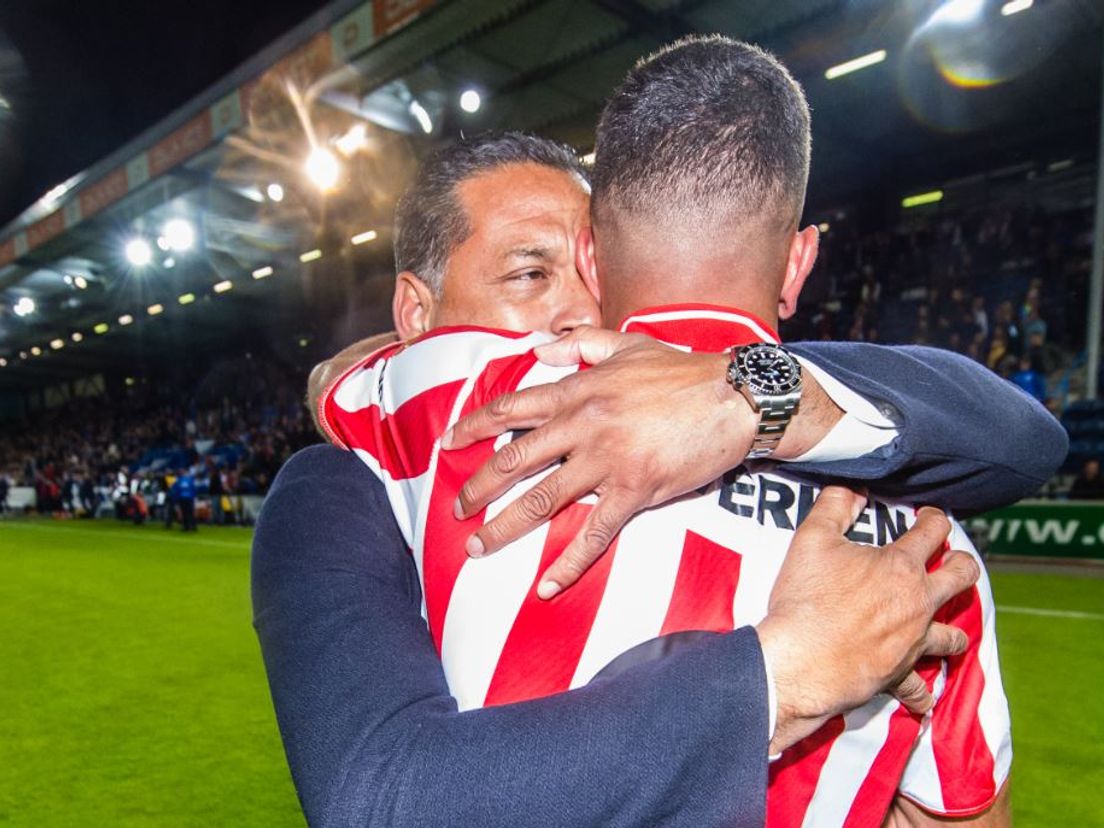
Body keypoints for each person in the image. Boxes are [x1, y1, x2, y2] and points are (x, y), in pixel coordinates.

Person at [313, 40, 1044, 825]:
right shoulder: (930, 551)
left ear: (590, 256)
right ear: (799, 264)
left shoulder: (453, 399)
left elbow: (333, 387)